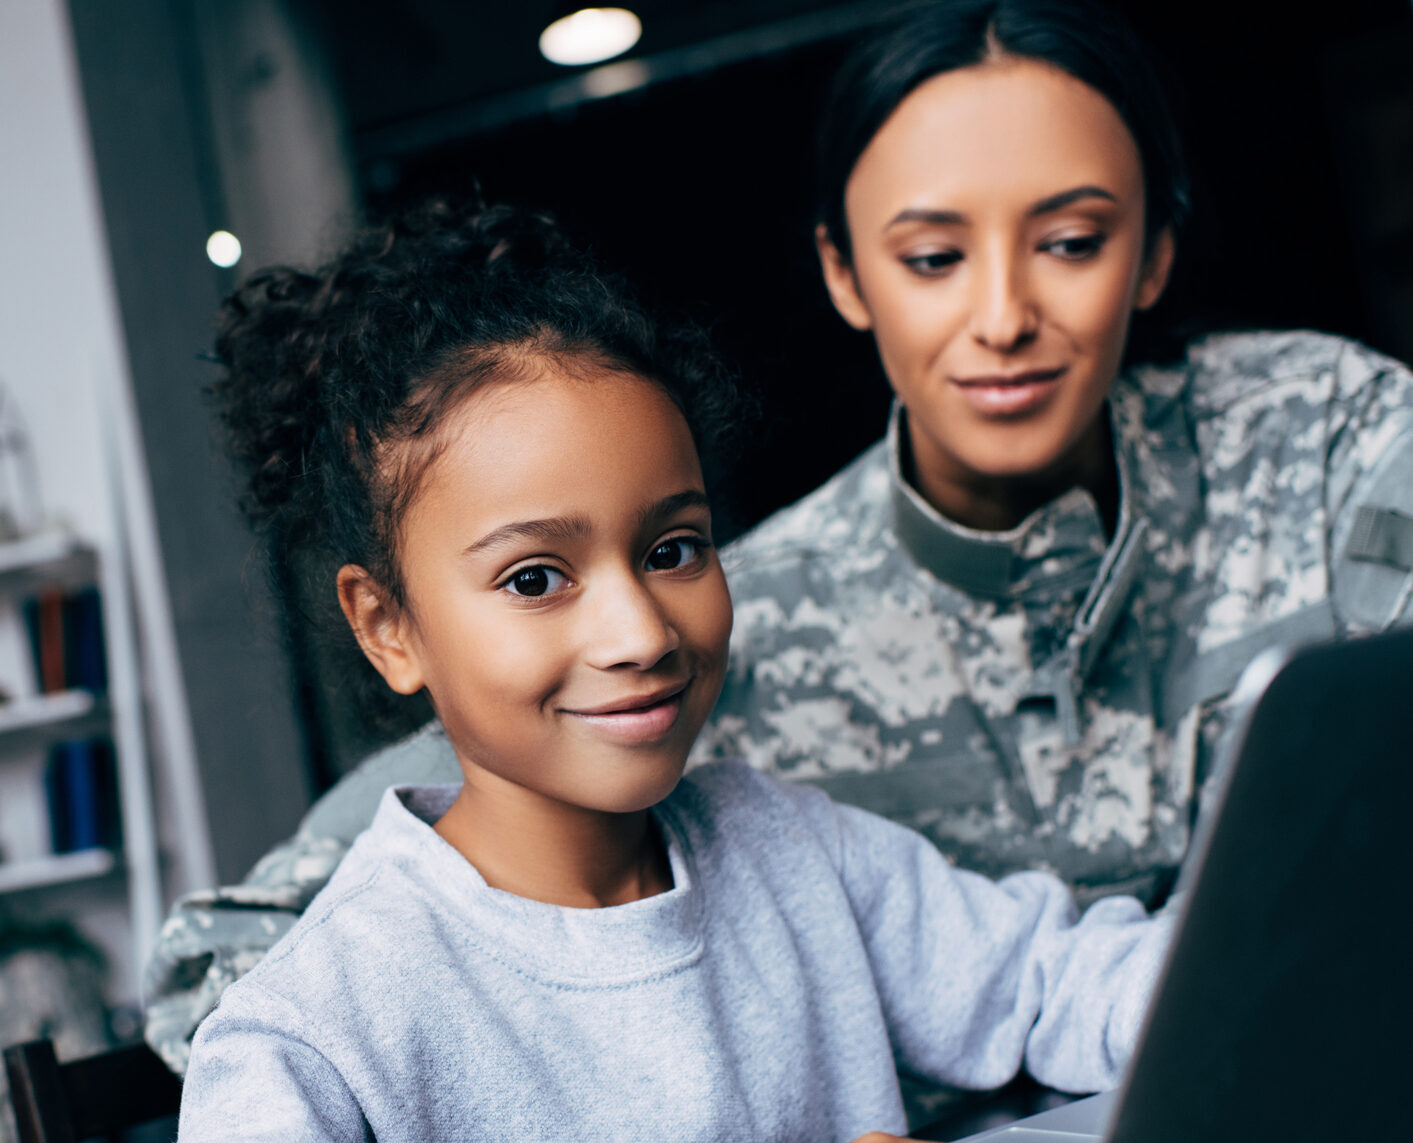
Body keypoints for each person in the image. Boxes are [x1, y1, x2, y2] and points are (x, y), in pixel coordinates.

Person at [143, 0, 1413, 1080]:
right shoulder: (716, 633)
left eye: (1073, 241)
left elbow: (1059, 977)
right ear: (847, 275)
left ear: (1154, 251)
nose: (1004, 315)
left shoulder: (1323, 434)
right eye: (930, 256)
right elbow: (253, 961)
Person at [90, 199, 1167, 1143]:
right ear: (389, 628)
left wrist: (1264, 986)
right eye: (536, 578)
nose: (641, 631)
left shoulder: (789, 845)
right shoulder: (339, 1000)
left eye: (674, 548)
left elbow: (1054, 978)